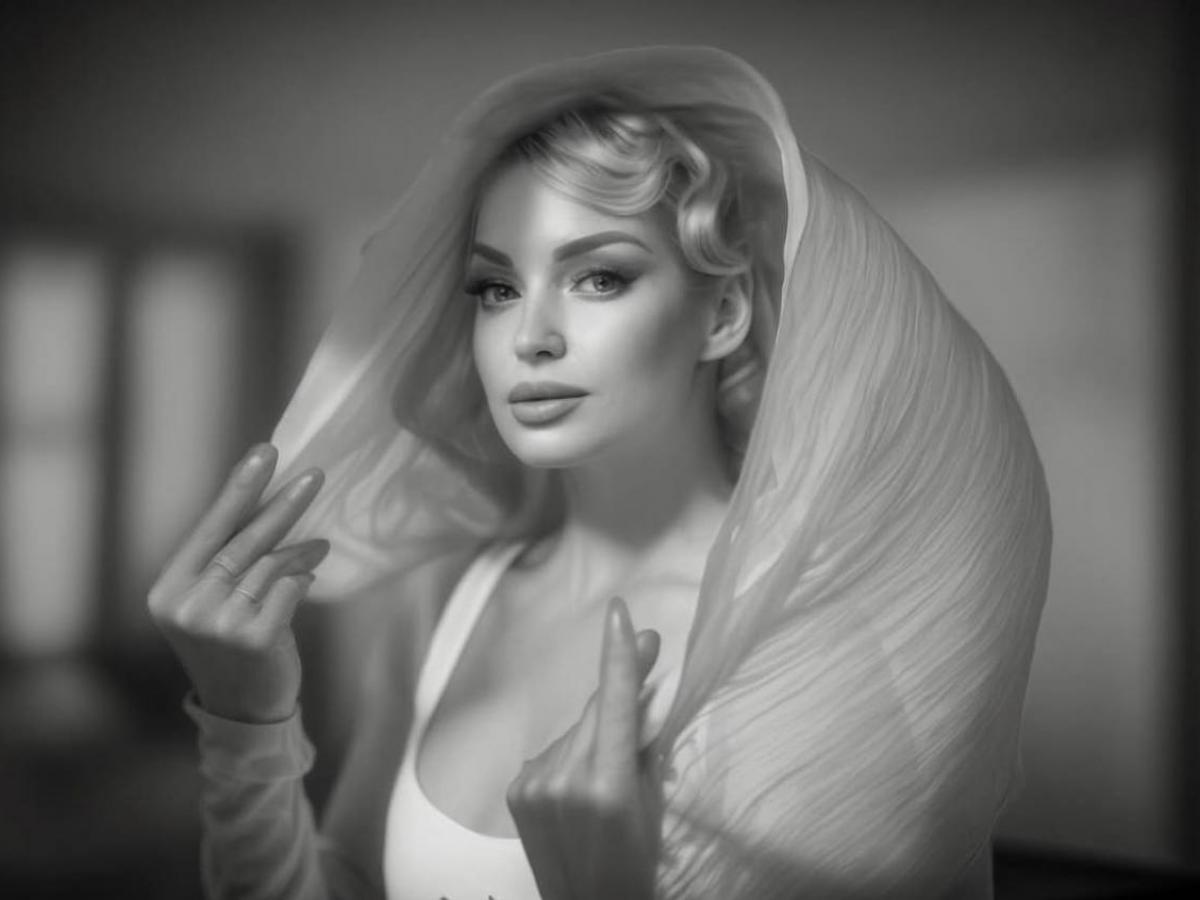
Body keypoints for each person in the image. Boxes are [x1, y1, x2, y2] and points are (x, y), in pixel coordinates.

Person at [149, 46, 1052, 899]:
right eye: (497, 288)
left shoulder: (806, 644)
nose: (530, 335)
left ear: (724, 314)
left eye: (600, 278)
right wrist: (246, 724)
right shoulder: (446, 601)